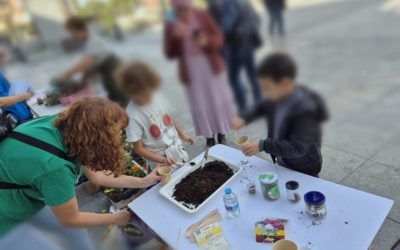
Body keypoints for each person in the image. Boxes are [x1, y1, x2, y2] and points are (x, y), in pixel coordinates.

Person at [0, 98, 163, 250]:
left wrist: (144, 181)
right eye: (118, 131)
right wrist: (116, 218)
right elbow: (70, 219)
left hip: (18, 195)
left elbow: (97, 176)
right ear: (99, 137)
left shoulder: (68, 126)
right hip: (4, 222)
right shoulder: (55, 168)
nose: (121, 136)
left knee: (75, 232)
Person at [232, 53, 329, 177]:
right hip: (283, 158)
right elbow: (262, 105)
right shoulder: (277, 95)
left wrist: (262, 145)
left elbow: (297, 148)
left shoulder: (306, 112)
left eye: (267, 88)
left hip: (304, 167)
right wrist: (244, 118)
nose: (264, 93)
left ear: (286, 83)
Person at [164, 0, 236, 147]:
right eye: (179, 8)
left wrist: (206, 41)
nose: (183, 11)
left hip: (209, 65)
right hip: (190, 70)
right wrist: (175, 37)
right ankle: (209, 136)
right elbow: (170, 53)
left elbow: (219, 39)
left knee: (216, 101)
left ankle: (221, 133)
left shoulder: (202, 15)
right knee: (200, 105)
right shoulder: (171, 23)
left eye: (185, 7)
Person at [116, 61, 193, 167]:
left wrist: (181, 134)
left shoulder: (157, 96)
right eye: (142, 93)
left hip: (176, 146)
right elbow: (138, 148)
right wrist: (162, 160)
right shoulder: (132, 115)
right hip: (158, 159)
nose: (147, 96)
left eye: (149, 91)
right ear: (130, 91)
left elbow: (169, 117)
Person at [207, 0, 262, 113]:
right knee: (252, 74)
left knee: (233, 77)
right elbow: (256, 18)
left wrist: (220, 34)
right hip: (249, 41)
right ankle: (259, 103)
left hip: (238, 43)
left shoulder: (229, 2)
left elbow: (229, 21)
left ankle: (243, 109)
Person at [60, 17, 128, 106]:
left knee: (121, 97)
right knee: (114, 99)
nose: (73, 36)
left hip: (114, 70)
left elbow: (87, 61)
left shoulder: (93, 41)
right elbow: (91, 66)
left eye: (73, 33)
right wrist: (83, 81)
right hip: (108, 73)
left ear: (81, 29)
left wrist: (67, 74)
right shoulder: (86, 42)